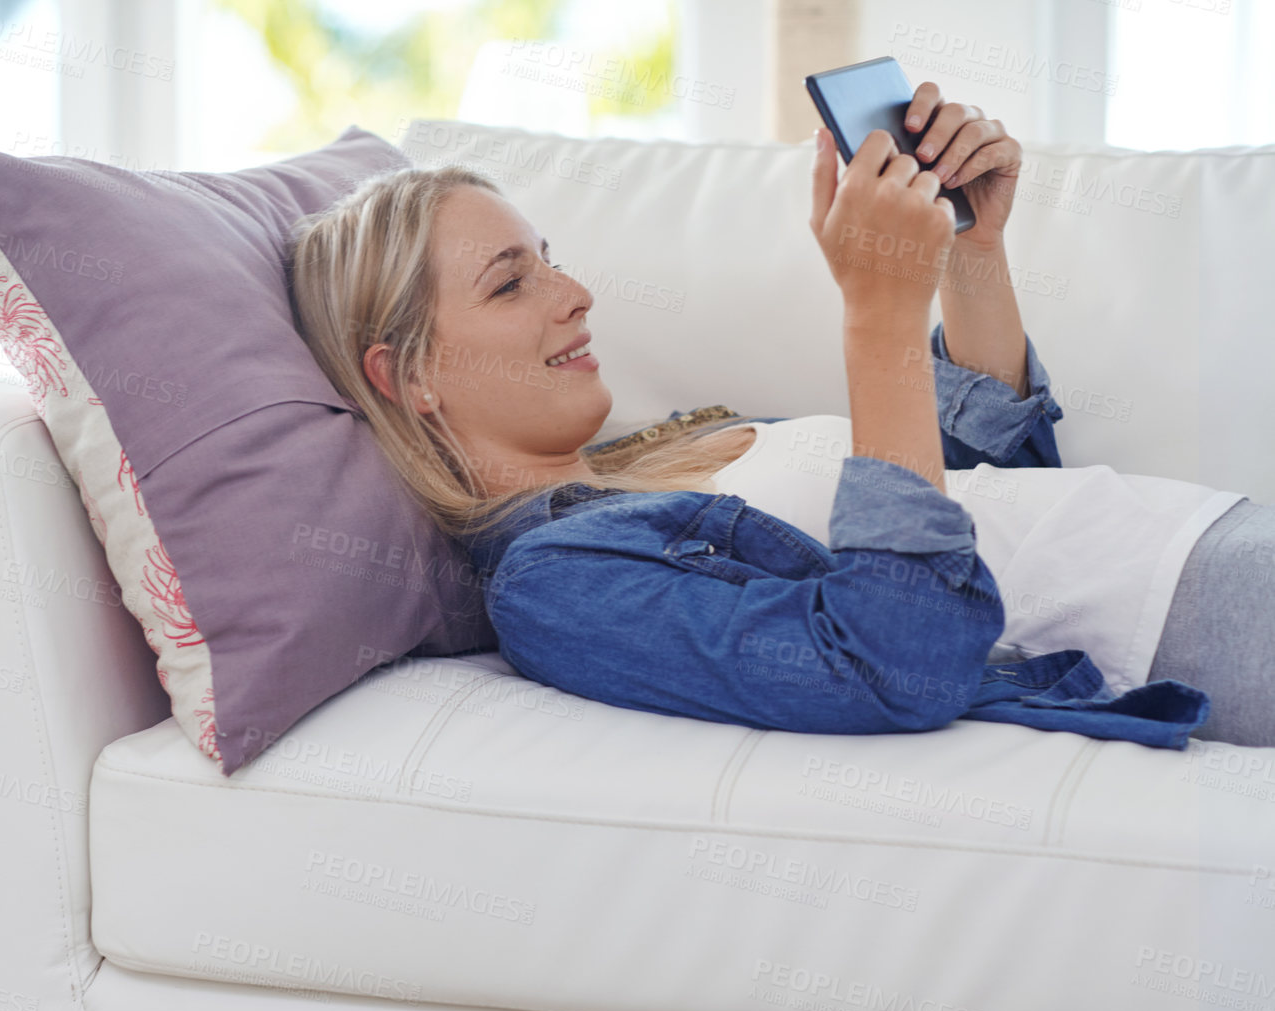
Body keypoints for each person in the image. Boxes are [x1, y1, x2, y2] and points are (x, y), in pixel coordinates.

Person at [287, 83, 1274, 750]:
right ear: (406, 375)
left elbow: (970, 480)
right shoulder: (553, 585)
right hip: (1193, 610)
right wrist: (876, 314)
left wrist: (969, 246)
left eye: (549, 256)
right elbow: (895, 655)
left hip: (1220, 533)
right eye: (512, 284)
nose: (574, 292)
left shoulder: (671, 443)